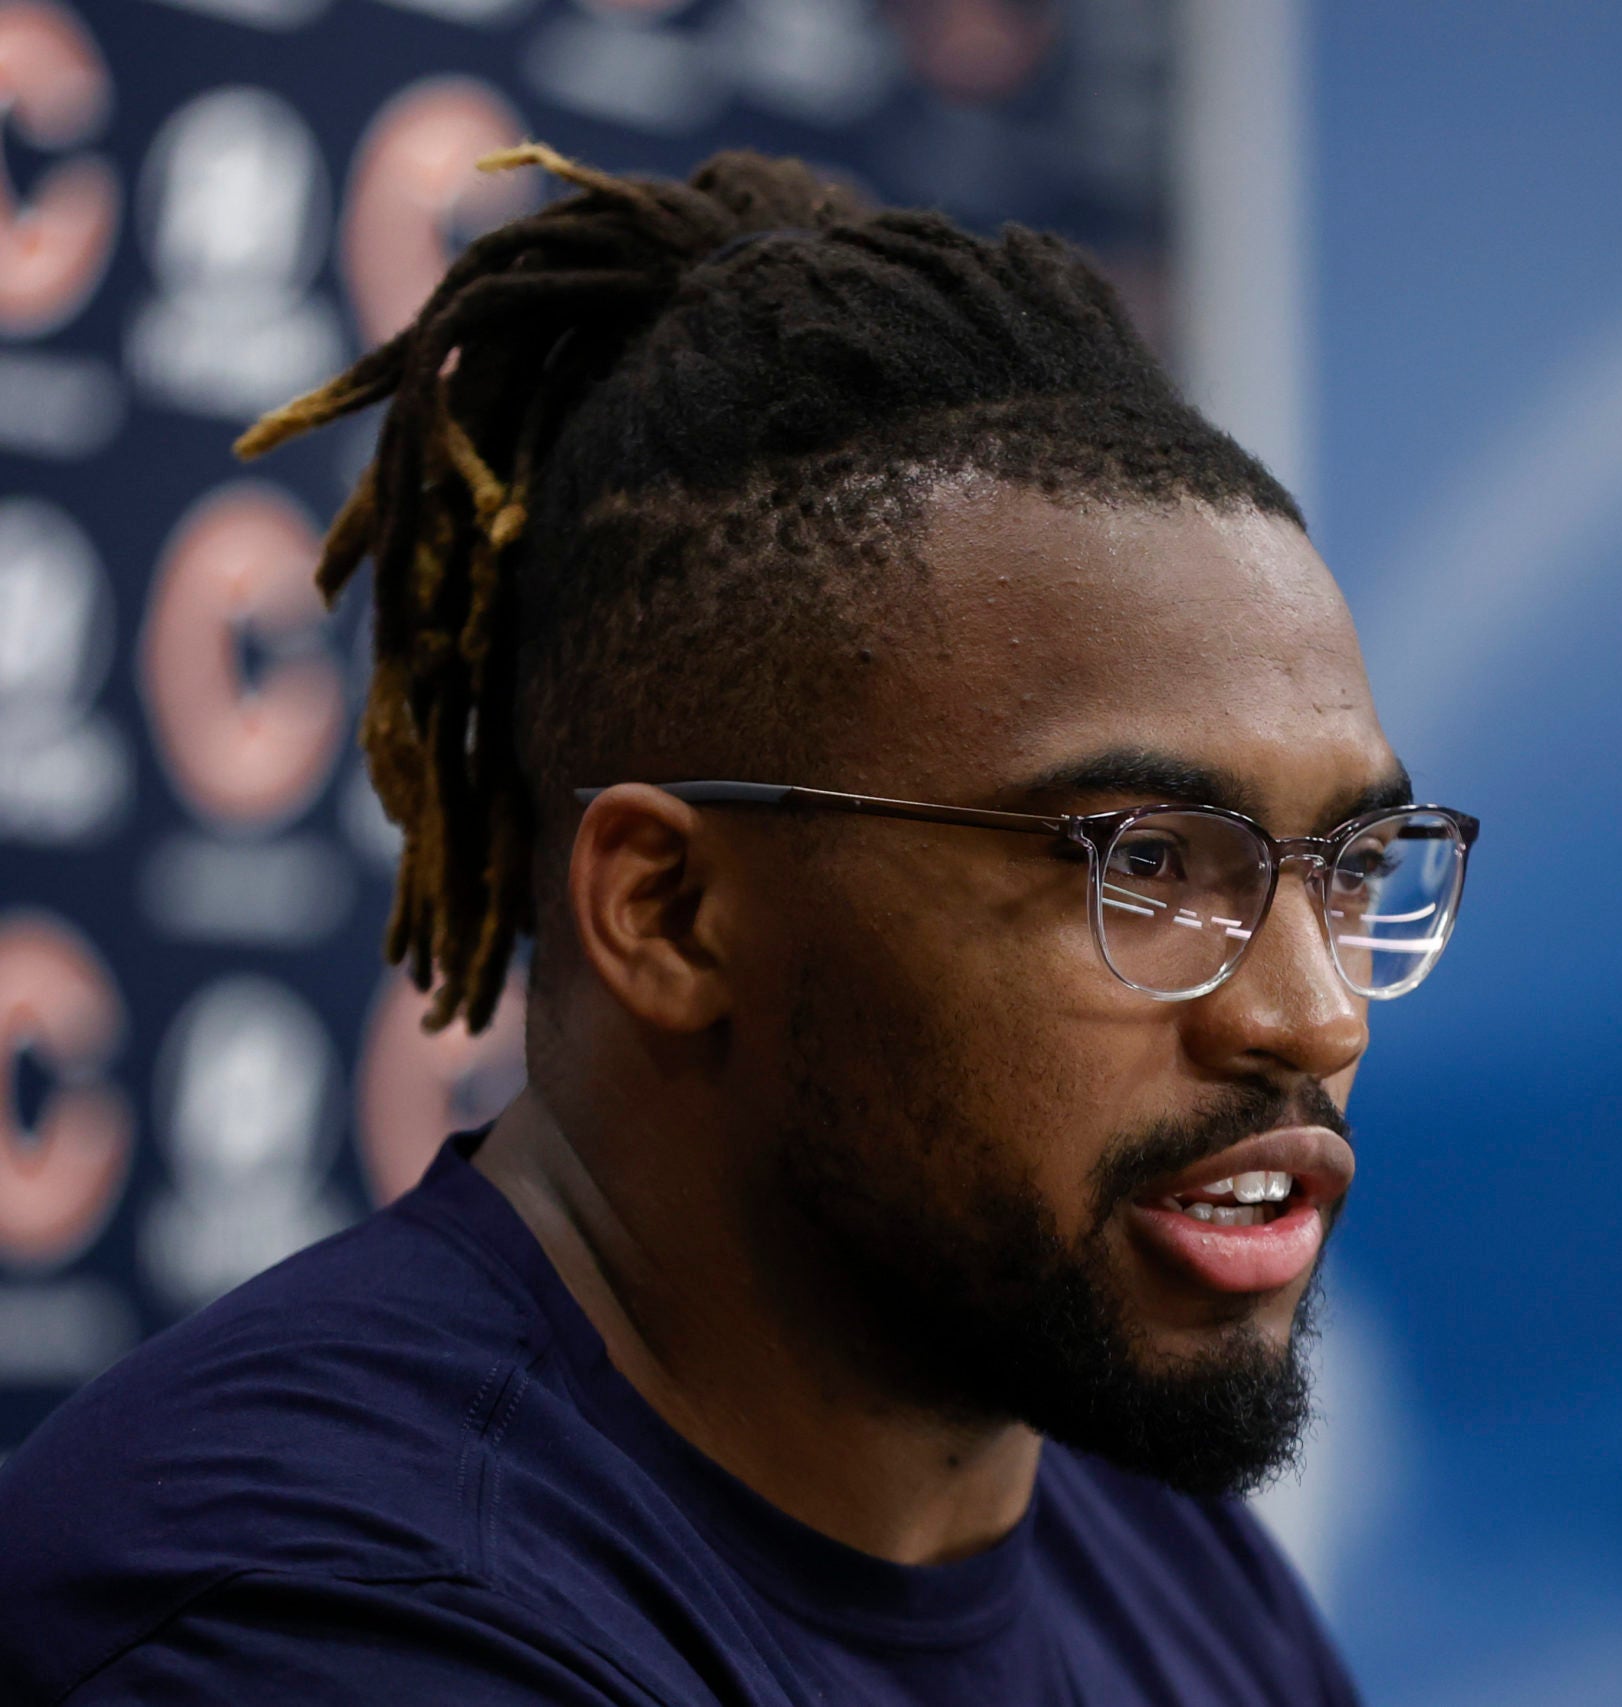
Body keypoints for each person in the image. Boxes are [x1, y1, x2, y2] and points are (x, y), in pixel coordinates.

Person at [0, 145, 1476, 1704]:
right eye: (1150, 864)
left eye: (1352, 868)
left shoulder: (1166, 1565)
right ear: (670, 911)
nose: (1314, 1017)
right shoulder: (323, 1618)